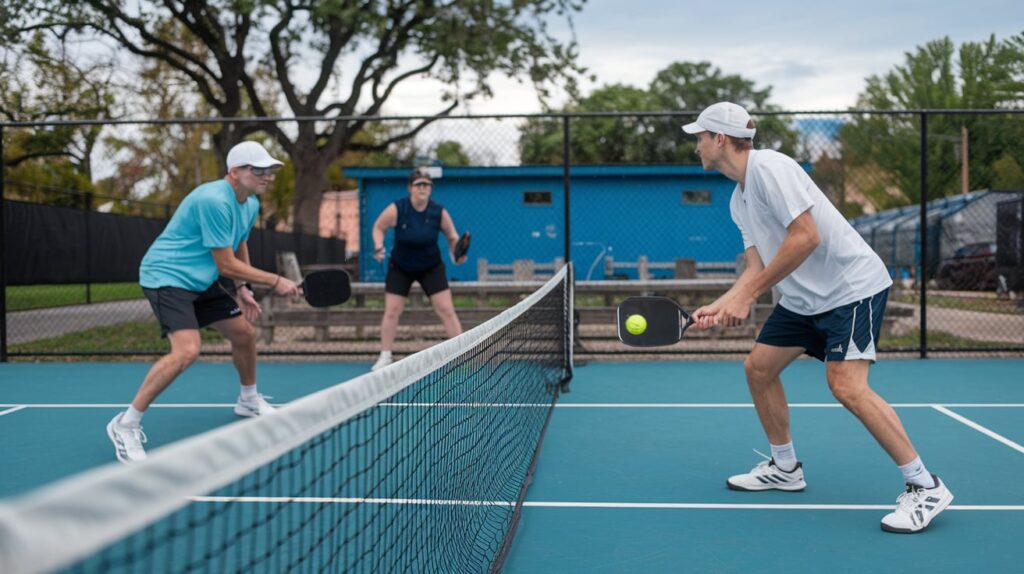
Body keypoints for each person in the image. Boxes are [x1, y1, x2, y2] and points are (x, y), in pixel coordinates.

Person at [683, 102, 953, 533]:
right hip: (803, 299)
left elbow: (807, 237)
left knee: (846, 385)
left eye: (699, 137)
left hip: (851, 289)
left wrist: (749, 296)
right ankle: (785, 468)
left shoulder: (771, 168)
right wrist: (725, 301)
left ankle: (925, 486)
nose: (696, 145)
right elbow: (755, 267)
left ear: (719, 138)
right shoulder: (739, 199)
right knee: (758, 369)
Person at [107, 141, 301, 463]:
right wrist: (276, 280)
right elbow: (225, 263)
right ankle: (125, 423)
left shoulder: (249, 202)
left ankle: (248, 400)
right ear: (235, 172)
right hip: (167, 277)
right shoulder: (214, 200)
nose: (267, 176)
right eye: (259, 170)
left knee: (244, 335)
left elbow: (238, 244)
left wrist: (243, 287)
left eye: (270, 171)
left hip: (201, 279)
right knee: (187, 351)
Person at [370, 168, 466, 371]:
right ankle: (385, 356)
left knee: (446, 309)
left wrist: (456, 253)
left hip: (430, 266)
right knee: (392, 311)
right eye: (419, 184)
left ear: (431, 189)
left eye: (427, 185)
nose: (423, 188)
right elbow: (378, 227)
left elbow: (452, 236)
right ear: (410, 188)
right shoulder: (398, 209)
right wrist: (378, 246)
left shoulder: (439, 212)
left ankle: (461, 352)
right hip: (401, 266)